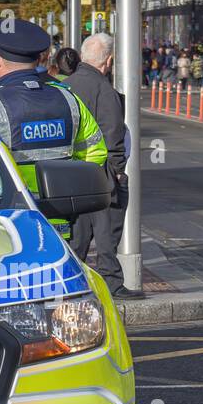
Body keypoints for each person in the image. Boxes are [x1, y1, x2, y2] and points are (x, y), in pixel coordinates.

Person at [0, 17, 107, 209]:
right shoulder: (69, 99)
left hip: (10, 216)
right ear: (38, 59)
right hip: (61, 219)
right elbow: (94, 152)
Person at [63, 34, 135, 298]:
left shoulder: (65, 86)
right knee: (107, 230)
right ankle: (111, 283)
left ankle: (72, 281)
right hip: (101, 172)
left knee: (79, 233)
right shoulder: (105, 90)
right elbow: (112, 133)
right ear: (109, 61)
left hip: (69, 172)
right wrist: (118, 171)